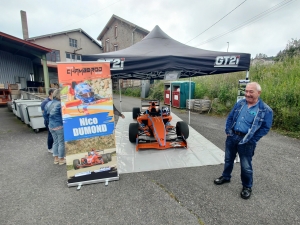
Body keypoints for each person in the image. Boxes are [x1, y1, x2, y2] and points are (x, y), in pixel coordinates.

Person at [214, 82, 273, 199]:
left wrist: (253, 139)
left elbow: (265, 128)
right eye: (246, 91)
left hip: (247, 140)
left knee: (246, 165)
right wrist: (228, 131)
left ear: (258, 93)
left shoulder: (265, 110)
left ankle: (247, 186)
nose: (247, 94)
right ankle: (225, 176)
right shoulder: (240, 103)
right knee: (228, 159)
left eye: (251, 92)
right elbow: (230, 117)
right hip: (232, 137)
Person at [47, 89, 65, 165]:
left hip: (51, 126)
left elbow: (45, 115)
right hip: (59, 125)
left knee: (55, 142)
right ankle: (61, 159)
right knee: (61, 143)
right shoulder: (60, 104)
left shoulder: (48, 103)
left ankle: (56, 159)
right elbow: (63, 115)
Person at [41, 88, 56, 153]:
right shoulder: (45, 102)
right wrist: (49, 122)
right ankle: (50, 148)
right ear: (51, 93)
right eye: (55, 92)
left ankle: (54, 147)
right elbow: (44, 113)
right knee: (51, 134)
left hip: (55, 121)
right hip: (49, 121)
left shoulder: (54, 101)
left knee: (54, 135)